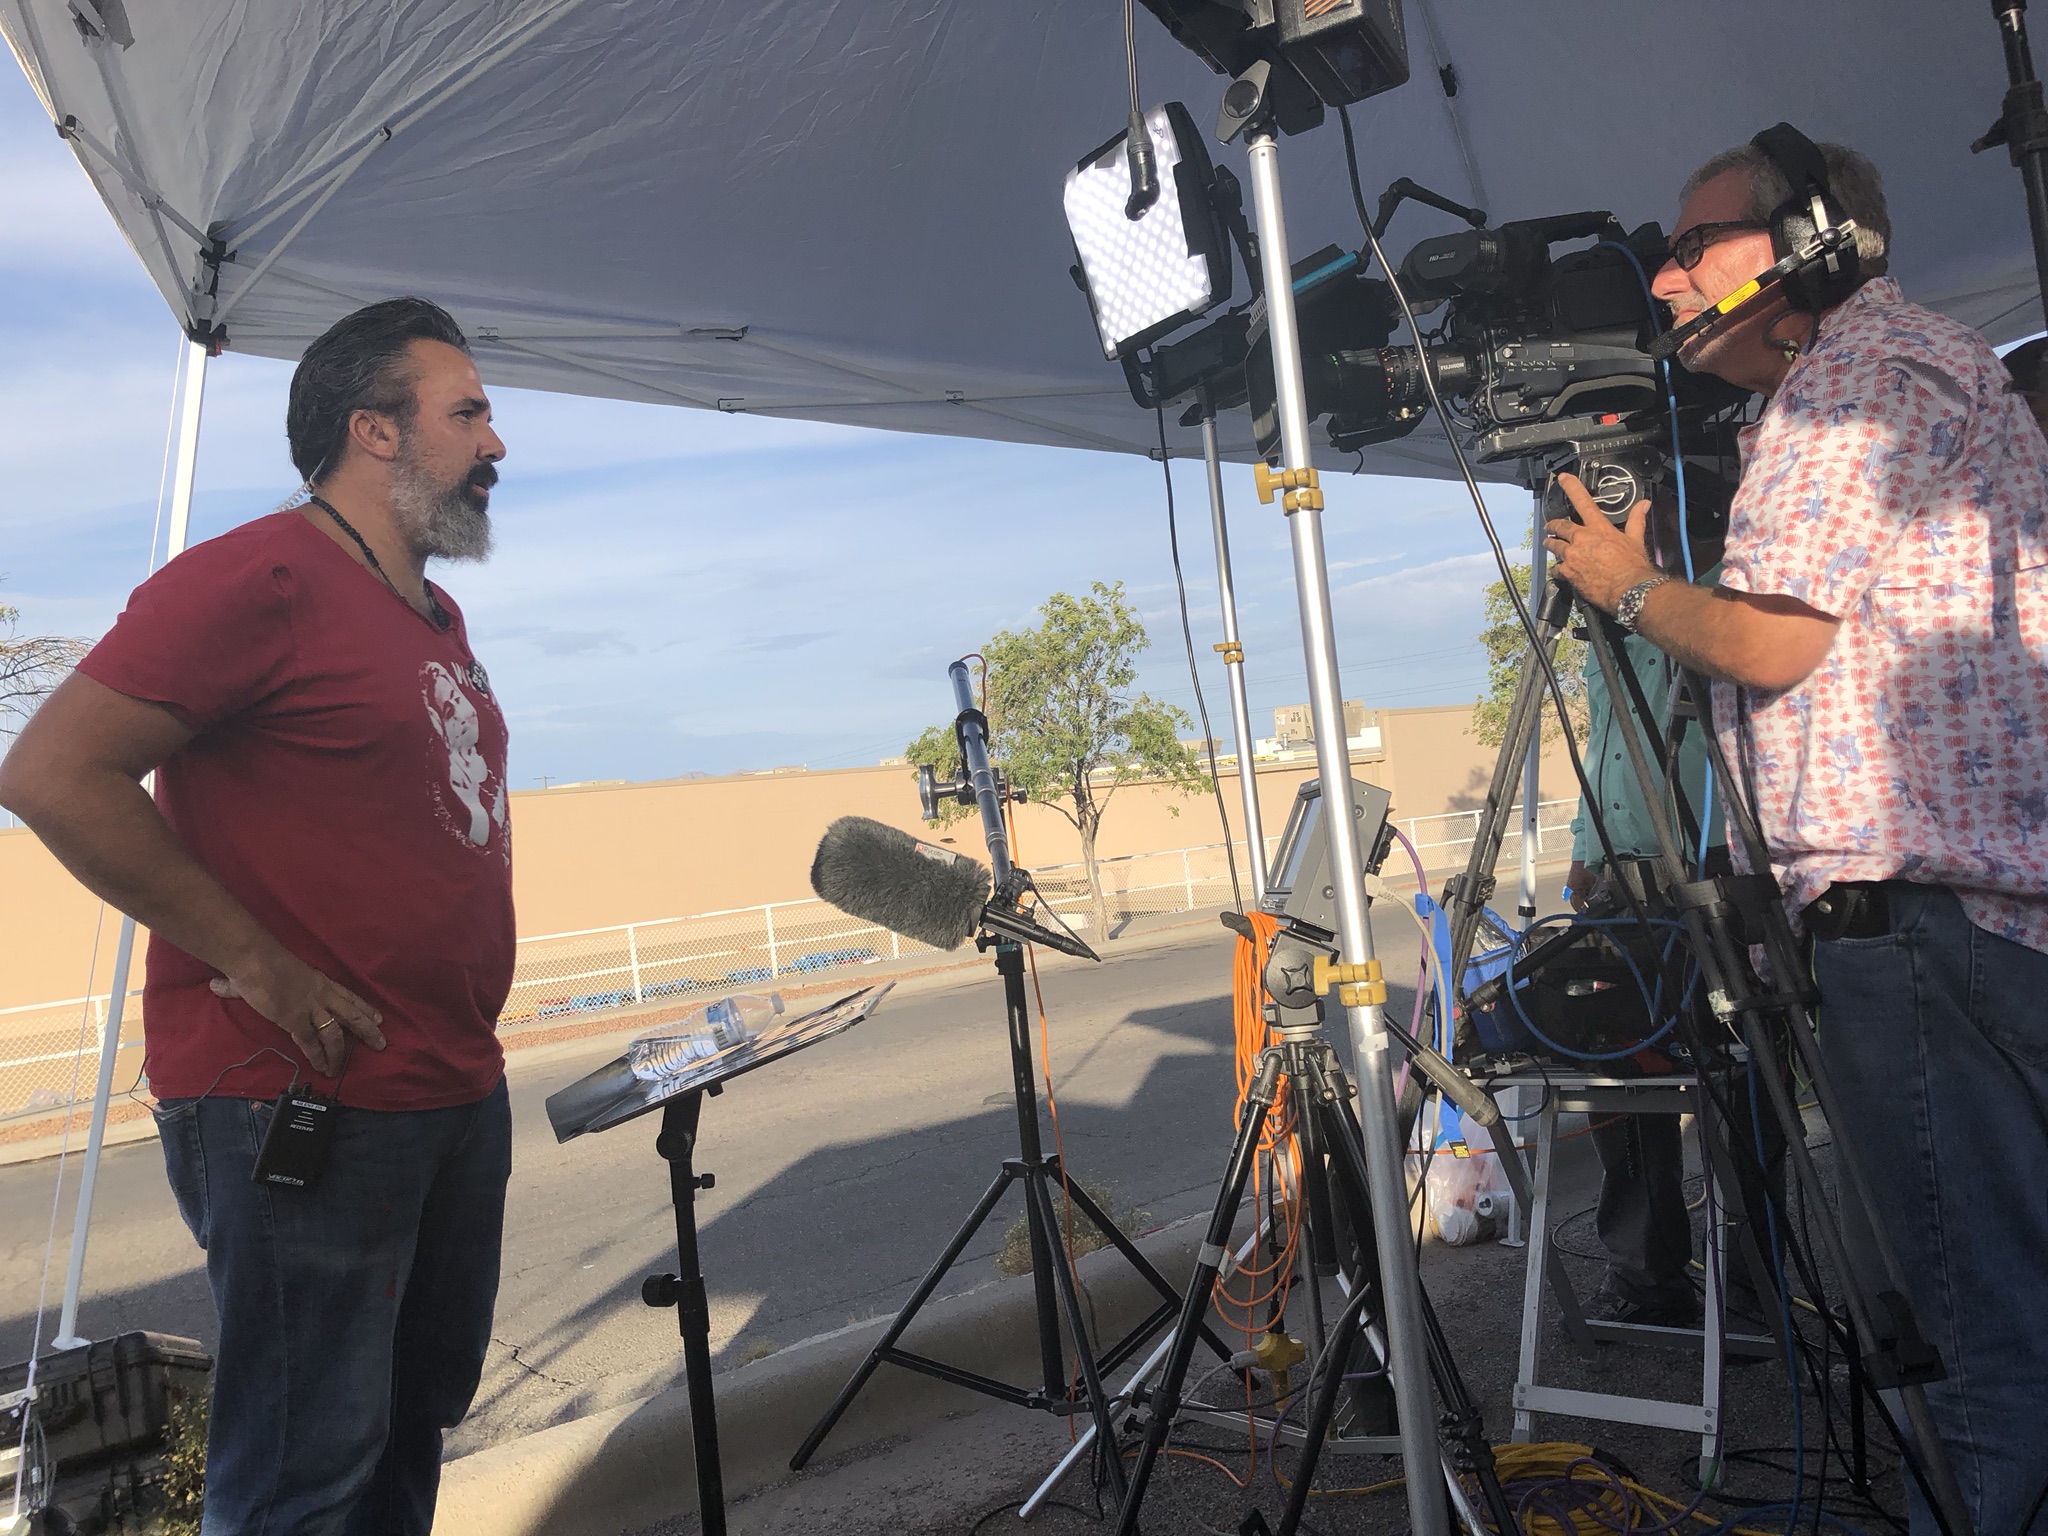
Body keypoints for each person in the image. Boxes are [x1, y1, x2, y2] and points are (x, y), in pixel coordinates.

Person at [1545, 131, 2048, 1536]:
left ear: (1814, 243)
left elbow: (1775, 644)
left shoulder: (1848, 390)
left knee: (1980, 1352)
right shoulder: (1928, 367)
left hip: (1920, 925)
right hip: (1981, 912)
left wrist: (1631, 586)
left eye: (1697, 242)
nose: (1665, 272)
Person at [0, 298, 515, 1536]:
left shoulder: (437, 618)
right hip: (303, 1096)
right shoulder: (257, 577)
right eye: (468, 413)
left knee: (403, 1431)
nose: (496, 444)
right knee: (301, 1475)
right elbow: (50, 774)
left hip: (447, 1084)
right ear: (372, 432)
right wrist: (259, 964)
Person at [1561, 484, 1729, 1330]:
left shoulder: (1717, 592)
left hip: (1714, 865)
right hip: (1622, 879)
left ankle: (1762, 1289)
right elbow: (1602, 734)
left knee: (1737, 1089)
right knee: (1622, 1086)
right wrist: (1585, 850)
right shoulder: (1601, 626)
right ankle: (1646, 1279)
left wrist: (1650, 587)